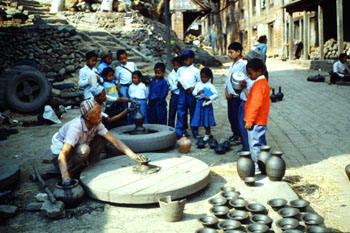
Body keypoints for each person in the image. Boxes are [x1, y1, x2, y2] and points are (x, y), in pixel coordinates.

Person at [50, 99, 144, 185]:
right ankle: (71, 172)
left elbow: (115, 141)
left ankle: (92, 165)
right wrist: (65, 177)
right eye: (97, 113)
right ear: (87, 116)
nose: (101, 116)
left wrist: (134, 156)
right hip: (61, 157)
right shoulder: (75, 127)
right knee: (84, 149)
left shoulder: (97, 123)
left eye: (100, 112)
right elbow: (63, 153)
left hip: (75, 148)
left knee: (103, 138)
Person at [244, 58, 270, 171]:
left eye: (250, 73)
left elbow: (255, 105)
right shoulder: (262, 83)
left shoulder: (259, 85)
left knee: (255, 145)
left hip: (256, 121)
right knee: (261, 143)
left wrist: (249, 121)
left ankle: (257, 165)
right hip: (260, 120)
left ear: (259, 71)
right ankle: (264, 163)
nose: (249, 76)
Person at [237, 50, 262, 152]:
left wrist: (244, 88)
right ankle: (245, 147)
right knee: (241, 127)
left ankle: (250, 150)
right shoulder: (249, 78)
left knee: (248, 129)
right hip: (242, 104)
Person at [176, 49, 200, 138]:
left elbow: (199, 83)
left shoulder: (196, 71)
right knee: (181, 111)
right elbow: (178, 81)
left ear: (192, 59)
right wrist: (179, 84)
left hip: (192, 93)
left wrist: (194, 89)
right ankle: (180, 131)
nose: (185, 61)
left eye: (187, 59)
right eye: (183, 59)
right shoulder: (180, 70)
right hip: (182, 92)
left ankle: (195, 131)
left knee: (193, 112)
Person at [226, 42, 246, 144]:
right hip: (229, 95)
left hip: (236, 96)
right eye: (228, 52)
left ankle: (240, 136)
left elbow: (239, 81)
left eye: (231, 52)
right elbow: (228, 80)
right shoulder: (233, 64)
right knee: (231, 117)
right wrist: (226, 91)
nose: (229, 55)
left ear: (238, 52)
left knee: (236, 117)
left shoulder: (242, 64)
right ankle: (235, 134)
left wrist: (232, 93)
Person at [191, 67, 218, 142]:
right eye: (202, 77)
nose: (203, 79)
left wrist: (209, 98)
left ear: (209, 77)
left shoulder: (210, 85)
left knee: (207, 119)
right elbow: (194, 93)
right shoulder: (198, 84)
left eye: (205, 77)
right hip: (199, 104)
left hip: (207, 104)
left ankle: (207, 133)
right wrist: (198, 92)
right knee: (200, 118)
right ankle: (205, 133)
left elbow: (216, 95)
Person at [114, 49, 137, 115]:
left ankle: (134, 112)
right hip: (123, 86)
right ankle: (125, 113)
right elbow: (117, 79)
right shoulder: (118, 69)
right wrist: (117, 86)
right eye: (121, 59)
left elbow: (136, 72)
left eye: (125, 58)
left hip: (132, 84)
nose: (124, 60)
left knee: (133, 98)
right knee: (124, 98)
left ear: (127, 57)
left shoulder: (132, 64)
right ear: (118, 59)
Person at [168, 56, 182, 127]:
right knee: (172, 112)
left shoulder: (183, 73)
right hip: (175, 96)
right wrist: (178, 86)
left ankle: (181, 129)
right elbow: (171, 88)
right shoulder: (171, 75)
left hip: (182, 95)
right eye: (174, 65)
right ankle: (170, 127)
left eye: (178, 65)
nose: (176, 67)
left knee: (181, 113)